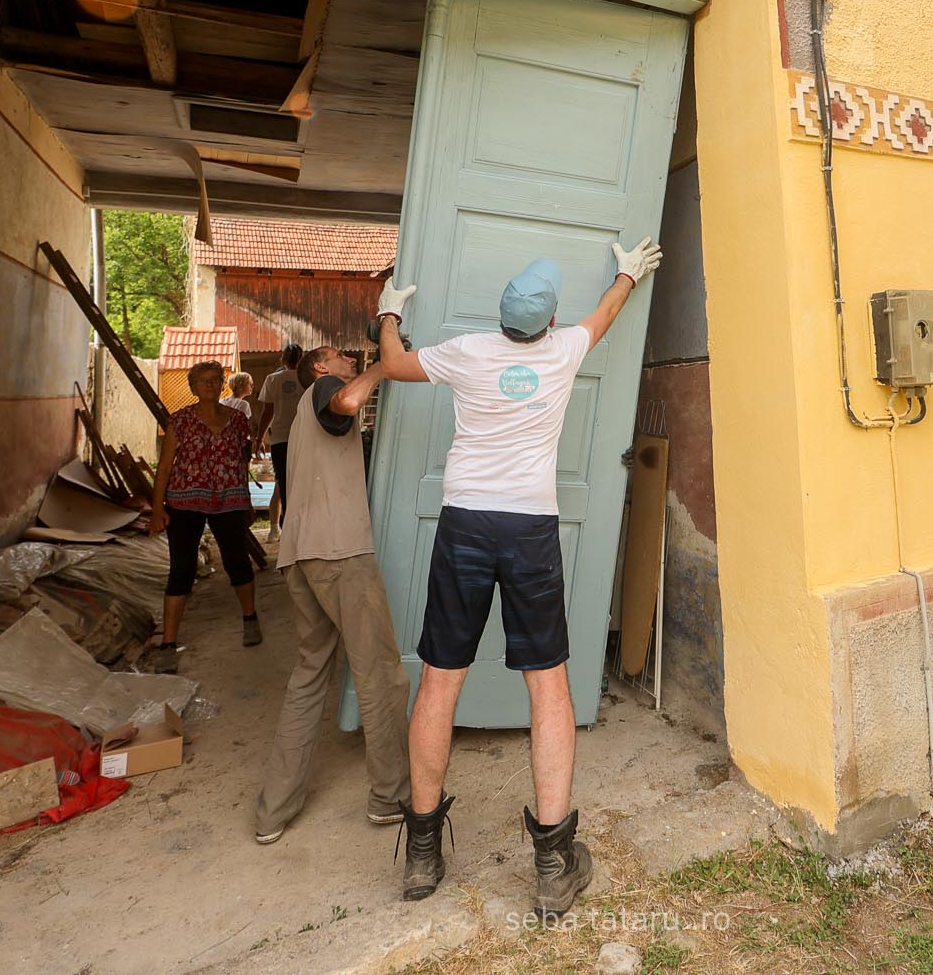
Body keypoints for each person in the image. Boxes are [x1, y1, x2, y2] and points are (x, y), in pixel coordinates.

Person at [371, 238, 661, 917]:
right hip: (529, 530)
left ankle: (420, 853)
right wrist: (628, 269)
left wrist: (388, 313)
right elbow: (608, 311)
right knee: (548, 684)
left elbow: (390, 363)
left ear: (502, 317)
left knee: (440, 679)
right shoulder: (563, 352)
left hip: (465, 525)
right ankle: (554, 864)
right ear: (549, 322)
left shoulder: (466, 352)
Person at [253, 345, 411, 845]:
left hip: (301, 556)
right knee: (381, 674)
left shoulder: (301, 417)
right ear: (320, 368)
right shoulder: (321, 389)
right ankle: (391, 796)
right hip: (339, 554)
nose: (349, 358)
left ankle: (271, 812)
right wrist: (388, 360)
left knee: (310, 673)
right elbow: (345, 401)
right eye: (341, 356)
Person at [146, 360, 262, 673]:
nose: (209, 385)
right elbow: (165, 468)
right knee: (181, 569)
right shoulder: (180, 420)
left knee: (237, 561)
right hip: (184, 502)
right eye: (202, 381)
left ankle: (250, 618)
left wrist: (247, 502)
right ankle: (169, 643)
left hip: (229, 499)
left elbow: (241, 464)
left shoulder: (238, 420)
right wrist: (158, 510)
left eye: (214, 379)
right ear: (193, 388)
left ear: (223, 383)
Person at [253, 345, 306, 527]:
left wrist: (259, 439)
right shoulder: (307, 378)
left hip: (280, 439)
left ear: (282, 359)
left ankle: (287, 525)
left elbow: (267, 412)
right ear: (302, 358)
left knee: (283, 483)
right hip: (305, 438)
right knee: (305, 481)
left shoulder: (273, 379)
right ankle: (301, 525)